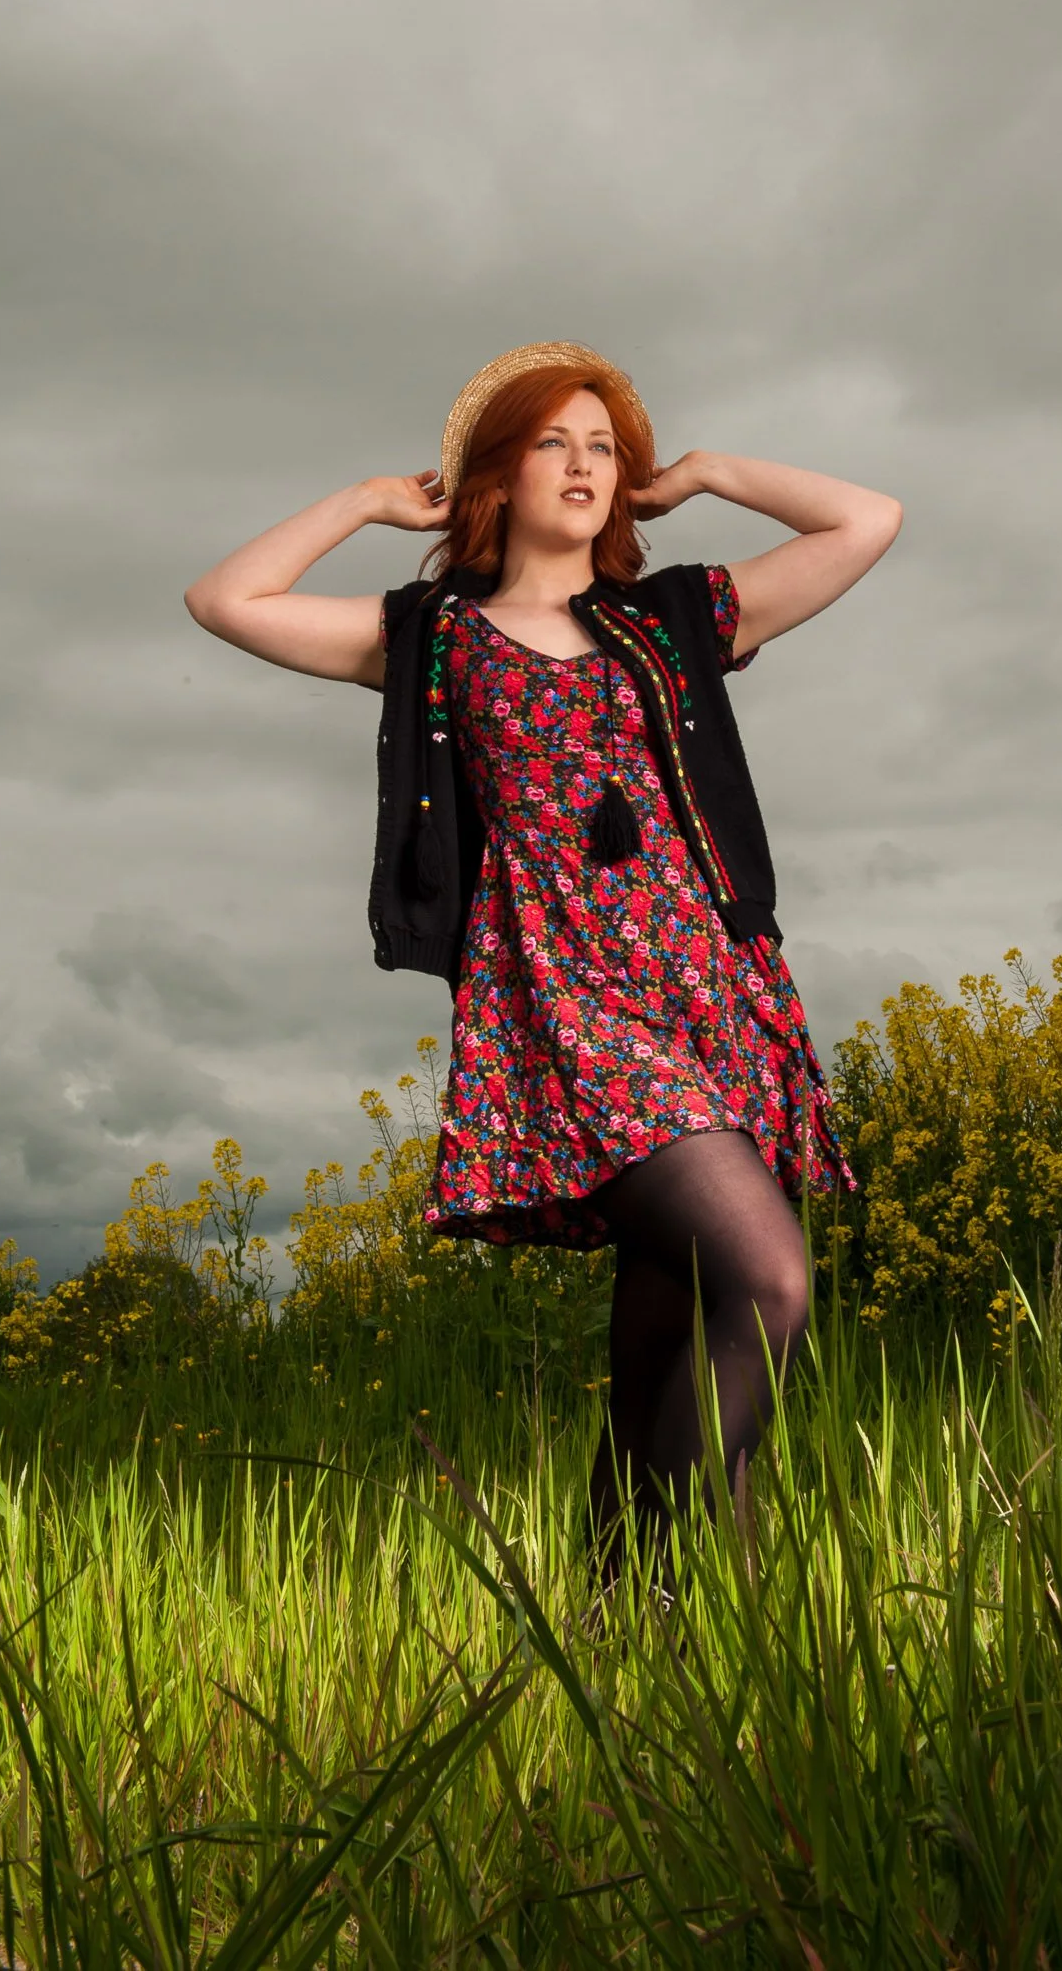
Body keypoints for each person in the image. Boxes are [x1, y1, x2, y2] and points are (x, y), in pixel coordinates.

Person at [184, 342, 902, 1568]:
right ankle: (672, 1596)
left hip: (709, 990)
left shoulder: (672, 618)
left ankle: (618, 1622)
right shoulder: (434, 638)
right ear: (497, 474)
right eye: (552, 442)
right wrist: (364, 501)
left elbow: (867, 517)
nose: (582, 464)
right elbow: (225, 599)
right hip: (569, 1004)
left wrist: (711, 471)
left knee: (663, 1343)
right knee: (769, 1283)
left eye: (603, 446)